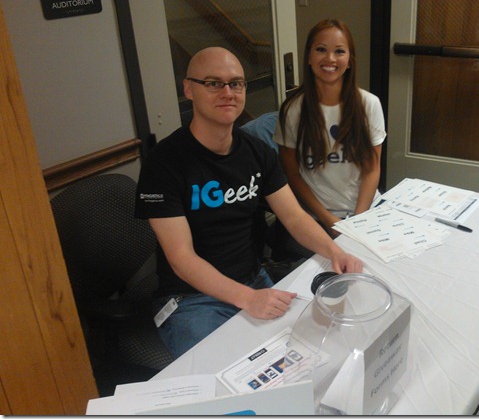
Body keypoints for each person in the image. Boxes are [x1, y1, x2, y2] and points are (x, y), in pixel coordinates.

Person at [135, 47, 363, 359]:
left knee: (309, 352)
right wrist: (247, 298)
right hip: (191, 298)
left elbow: (294, 217)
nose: (227, 92)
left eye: (236, 83)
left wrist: (335, 251)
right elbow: (181, 258)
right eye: (214, 83)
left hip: (253, 280)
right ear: (189, 89)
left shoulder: (256, 151)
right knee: (226, 382)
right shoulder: (163, 164)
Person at [272, 19, 386, 258]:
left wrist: (358, 220)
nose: (330, 59)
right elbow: (292, 175)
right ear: (309, 57)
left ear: (349, 61)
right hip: (317, 218)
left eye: (339, 51)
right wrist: (329, 221)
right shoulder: (293, 110)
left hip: (366, 212)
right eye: (321, 49)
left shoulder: (369, 104)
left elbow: (372, 168)